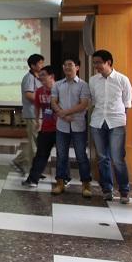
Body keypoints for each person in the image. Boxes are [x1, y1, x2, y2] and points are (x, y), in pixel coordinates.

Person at [89, 50, 132, 204]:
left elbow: (127, 104)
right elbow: (94, 101)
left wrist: (120, 119)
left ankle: (124, 191)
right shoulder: (93, 80)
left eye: (99, 62)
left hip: (116, 123)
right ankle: (107, 190)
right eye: (94, 63)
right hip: (98, 122)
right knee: (102, 158)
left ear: (109, 62)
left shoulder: (122, 79)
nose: (96, 66)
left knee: (117, 158)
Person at [50, 57, 92, 197]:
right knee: (61, 155)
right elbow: (53, 102)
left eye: (70, 65)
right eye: (65, 65)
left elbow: (83, 104)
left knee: (81, 156)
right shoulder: (57, 84)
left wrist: (64, 113)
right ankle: (60, 183)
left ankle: (86, 185)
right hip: (62, 125)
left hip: (78, 125)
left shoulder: (83, 85)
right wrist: (63, 115)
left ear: (77, 67)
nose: (67, 67)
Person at [22, 65, 57, 187]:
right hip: (46, 128)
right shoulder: (39, 91)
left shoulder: (59, 89)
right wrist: (38, 120)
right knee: (41, 154)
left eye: (43, 75)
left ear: (51, 76)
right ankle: (33, 179)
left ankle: (64, 179)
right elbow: (37, 107)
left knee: (62, 155)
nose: (40, 77)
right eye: (40, 75)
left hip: (60, 129)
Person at [12, 53, 45, 174]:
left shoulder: (38, 77)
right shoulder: (29, 78)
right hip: (32, 114)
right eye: (40, 63)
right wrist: (44, 99)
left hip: (39, 114)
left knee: (36, 142)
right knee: (34, 142)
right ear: (32, 65)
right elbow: (29, 95)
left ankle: (21, 161)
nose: (42, 65)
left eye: (42, 63)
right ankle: (30, 168)